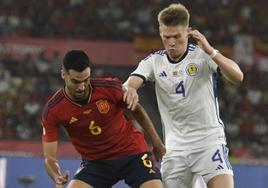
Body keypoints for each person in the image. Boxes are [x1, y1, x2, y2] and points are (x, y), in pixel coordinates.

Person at [123, 3, 244, 188]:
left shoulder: (203, 55)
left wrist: (211, 51)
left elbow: (237, 76)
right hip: (175, 149)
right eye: (166, 37)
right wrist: (131, 88)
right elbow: (131, 82)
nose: (171, 42)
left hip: (209, 143)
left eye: (177, 36)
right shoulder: (154, 61)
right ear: (160, 33)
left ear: (188, 31)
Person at [41, 50, 166, 188]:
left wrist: (157, 142)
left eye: (86, 80)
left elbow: (137, 109)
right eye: (76, 81)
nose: (82, 87)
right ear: (63, 74)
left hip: (132, 153)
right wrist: (56, 176)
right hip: (96, 163)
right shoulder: (53, 110)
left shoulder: (109, 87)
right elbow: (50, 158)